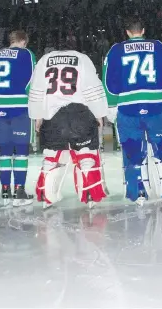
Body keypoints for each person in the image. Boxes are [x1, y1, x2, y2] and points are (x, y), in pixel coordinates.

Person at [102, 16, 162, 206]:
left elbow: (109, 83)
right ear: (143, 30)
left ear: (127, 32)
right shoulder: (158, 46)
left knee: (132, 151)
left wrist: (112, 103)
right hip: (156, 107)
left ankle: (138, 191)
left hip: (128, 109)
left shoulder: (116, 50)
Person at [28, 47, 108, 209]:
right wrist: (99, 113)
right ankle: (90, 194)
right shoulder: (82, 58)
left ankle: (46, 195)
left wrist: (37, 116)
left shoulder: (45, 60)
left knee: (51, 157)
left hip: (52, 117)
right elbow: (92, 88)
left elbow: (36, 90)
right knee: (86, 154)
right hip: (80, 114)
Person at [0, 30, 36, 206]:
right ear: (23, 41)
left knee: (4, 151)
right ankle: (19, 190)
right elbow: (32, 81)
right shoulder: (26, 54)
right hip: (20, 108)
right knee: (21, 151)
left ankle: (5, 189)